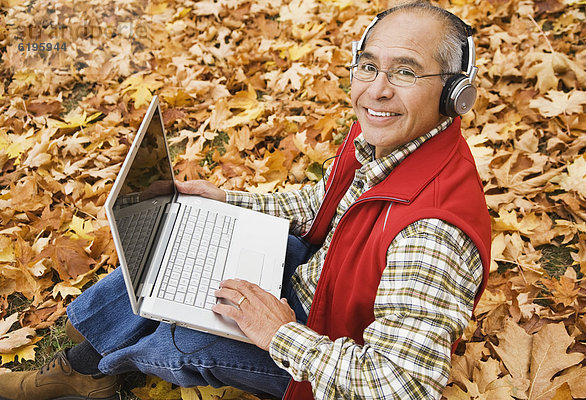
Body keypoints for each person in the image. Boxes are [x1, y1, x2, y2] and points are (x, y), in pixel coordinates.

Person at [0, 2, 491, 399]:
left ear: (454, 93)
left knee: (184, 339)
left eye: (405, 72)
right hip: (323, 282)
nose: (376, 91)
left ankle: (93, 374)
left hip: (326, 353)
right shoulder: (391, 141)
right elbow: (325, 202)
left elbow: (402, 387)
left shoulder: (430, 235)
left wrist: (278, 334)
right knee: (177, 240)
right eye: (368, 67)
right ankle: (82, 347)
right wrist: (227, 200)